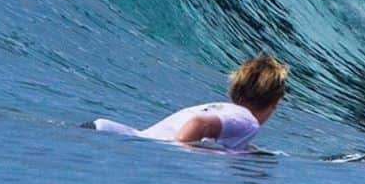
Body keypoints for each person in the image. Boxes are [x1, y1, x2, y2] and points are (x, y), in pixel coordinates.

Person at [86, 53, 288, 152]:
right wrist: (185, 156)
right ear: (275, 101)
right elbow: (197, 125)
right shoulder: (247, 121)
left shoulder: (225, 109)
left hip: (106, 130)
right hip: (118, 144)